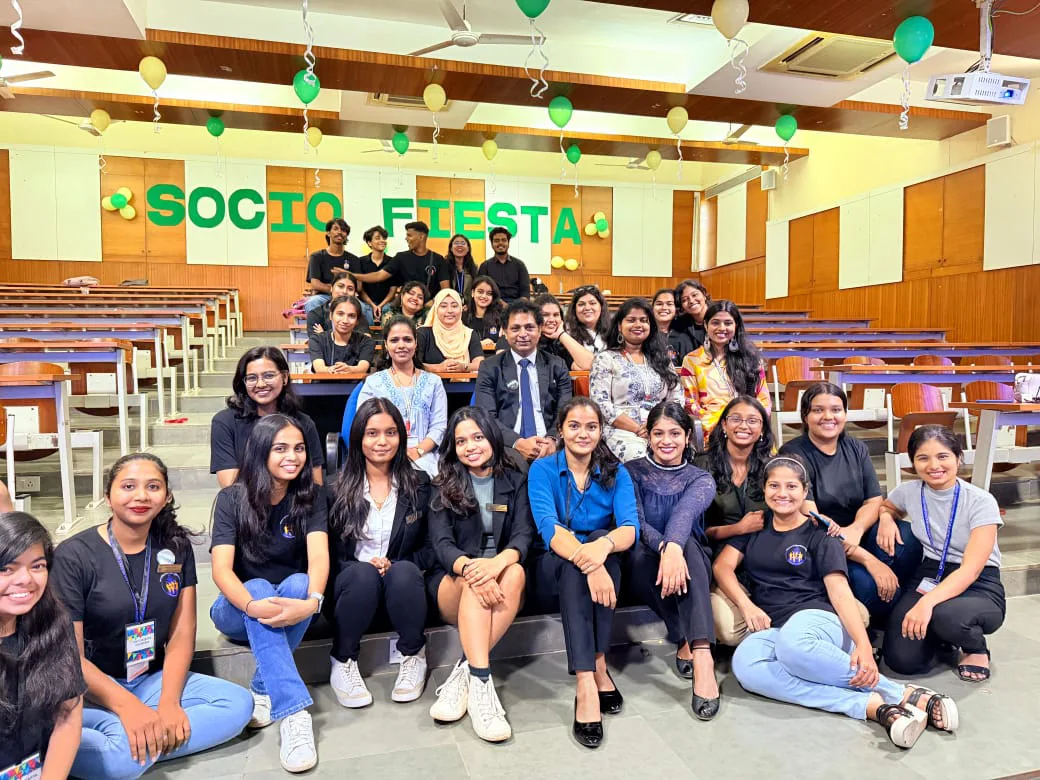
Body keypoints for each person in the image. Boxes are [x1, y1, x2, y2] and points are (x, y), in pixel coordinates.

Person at [715, 454, 959, 750]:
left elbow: (840, 592)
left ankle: (901, 693)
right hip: (774, 625)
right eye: (774, 486)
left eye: (791, 486)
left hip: (816, 618)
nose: (782, 494)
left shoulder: (821, 532)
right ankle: (871, 706)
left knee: (793, 645)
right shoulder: (756, 525)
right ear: (764, 489)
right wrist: (747, 606)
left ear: (805, 491)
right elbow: (722, 567)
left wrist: (864, 647)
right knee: (746, 665)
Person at [52, 454, 253, 778]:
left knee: (239, 705)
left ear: (167, 496)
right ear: (108, 496)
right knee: (121, 756)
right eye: (128, 486)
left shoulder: (175, 547)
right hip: (89, 689)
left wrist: (169, 704)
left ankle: (137, 743)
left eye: (153, 486)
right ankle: (120, 743)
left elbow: (182, 633)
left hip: (148, 680)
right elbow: (69, 658)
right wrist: (127, 707)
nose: (141, 496)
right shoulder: (74, 556)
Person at [209, 416, 329, 774]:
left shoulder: (312, 496)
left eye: (299, 448)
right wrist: (251, 604)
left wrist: (313, 603)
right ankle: (294, 712)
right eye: (281, 448)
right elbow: (221, 570)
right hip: (235, 608)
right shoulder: (232, 498)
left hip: (290, 604)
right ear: (261, 452)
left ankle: (263, 687)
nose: (293, 456)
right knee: (258, 587)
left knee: (301, 583)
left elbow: (319, 558)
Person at [527, 397, 638, 749]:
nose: (583, 434)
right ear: (561, 430)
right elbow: (549, 529)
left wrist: (600, 549)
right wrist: (590, 562)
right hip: (552, 562)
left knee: (603, 542)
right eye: (574, 426)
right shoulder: (542, 470)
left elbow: (629, 528)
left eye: (591, 427)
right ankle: (588, 680)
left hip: (601, 557)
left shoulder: (617, 472)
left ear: (601, 431)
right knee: (575, 568)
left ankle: (595, 666)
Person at [426, 407, 534, 742]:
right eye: (461, 441)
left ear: (492, 437)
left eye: (478, 437)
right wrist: (474, 568)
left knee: (516, 572)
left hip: (502, 578)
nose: (470, 446)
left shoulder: (515, 480)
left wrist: (496, 564)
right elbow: (442, 544)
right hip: (454, 581)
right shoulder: (442, 485)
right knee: (475, 582)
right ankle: (483, 680)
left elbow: (523, 535)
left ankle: (467, 675)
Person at [780, 382, 922, 619]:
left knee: (906, 539)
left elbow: (873, 500)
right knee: (872, 588)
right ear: (805, 416)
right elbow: (811, 517)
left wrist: (856, 530)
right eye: (818, 410)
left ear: (845, 414)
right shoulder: (793, 454)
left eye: (836, 410)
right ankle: (884, 614)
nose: (828, 417)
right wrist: (870, 560)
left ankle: (899, 606)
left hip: (857, 532)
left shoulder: (856, 447)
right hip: (822, 541)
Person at [326, 398, 433, 710]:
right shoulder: (334, 490)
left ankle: (413, 654)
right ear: (358, 437)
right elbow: (327, 554)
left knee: (404, 571)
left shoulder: (419, 484)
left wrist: (395, 564)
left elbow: (430, 547)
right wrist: (364, 566)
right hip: (354, 586)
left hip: (402, 586)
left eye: (391, 432)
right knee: (362, 574)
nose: (382, 441)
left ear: (401, 436)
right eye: (372, 433)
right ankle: (343, 659)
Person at [881, 425, 1005, 683]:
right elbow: (889, 506)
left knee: (946, 616)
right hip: (931, 572)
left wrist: (926, 603)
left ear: (958, 458)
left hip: (978, 581)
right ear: (913, 463)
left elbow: (970, 570)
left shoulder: (981, 501)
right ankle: (940, 640)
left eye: (942, 456)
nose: (933, 465)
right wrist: (886, 518)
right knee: (901, 661)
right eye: (923, 458)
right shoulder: (909, 492)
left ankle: (974, 648)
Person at [624, 402, 720, 720]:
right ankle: (682, 633)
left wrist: (675, 548)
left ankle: (702, 655)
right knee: (640, 556)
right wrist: (666, 548)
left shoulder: (701, 478)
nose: (667, 441)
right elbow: (636, 522)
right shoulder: (630, 472)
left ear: (688, 437)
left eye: (675, 433)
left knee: (688, 545)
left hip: (690, 559)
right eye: (659, 433)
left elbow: (684, 514)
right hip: (644, 557)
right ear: (648, 436)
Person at [0, 511, 85, 779]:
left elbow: (68, 716)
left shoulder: (54, 625)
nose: (26, 579)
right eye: (6, 568)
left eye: (37, 566)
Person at [695, 396, 772, 645]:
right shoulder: (701, 466)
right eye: (736, 419)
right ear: (724, 425)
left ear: (762, 429)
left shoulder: (770, 468)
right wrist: (737, 529)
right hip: (716, 559)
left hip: (761, 558)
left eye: (753, 420)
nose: (744, 426)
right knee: (731, 632)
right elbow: (696, 530)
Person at [210, 346, 324, 488]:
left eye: (269, 376)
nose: (261, 384)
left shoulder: (303, 422)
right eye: (252, 378)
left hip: (297, 499)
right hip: (246, 500)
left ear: (284, 377)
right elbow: (230, 486)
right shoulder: (225, 422)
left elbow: (315, 483)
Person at [475, 300, 573, 462]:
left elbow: (565, 412)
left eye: (529, 327)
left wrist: (552, 440)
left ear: (540, 330)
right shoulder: (490, 367)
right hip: (508, 446)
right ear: (504, 331)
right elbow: (486, 416)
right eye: (515, 328)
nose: (523, 334)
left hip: (550, 445)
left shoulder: (557, 365)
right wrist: (518, 443)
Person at [590, 297, 683, 462]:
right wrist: (639, 429)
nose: (638, 325)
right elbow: (601, 404)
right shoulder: (606, 358)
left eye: (643, 320)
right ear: (620, 326)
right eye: (631, 320)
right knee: (643, 460)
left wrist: (659, 426)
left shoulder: (661, 359)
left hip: (662, 427)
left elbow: (676, 397)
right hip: (621, 429)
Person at [357, 315, 448, 478]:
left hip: (424, 456)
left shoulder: (434, 382)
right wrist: (392, 453)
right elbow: (363, 427)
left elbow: (439, 426)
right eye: (394, 340)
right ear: (386, 345)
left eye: (407, 339)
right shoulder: (373, 383)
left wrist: (418, 451)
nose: (401, 345)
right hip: (383, 456)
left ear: (416, 343)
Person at [681, 300, 770, 441]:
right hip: (713, 430)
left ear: (736, 326)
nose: (721, 328)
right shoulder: (692, 360)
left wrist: (748, 423)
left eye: (728, 323)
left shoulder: (751, 358)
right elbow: (690, 403)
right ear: (706, 325)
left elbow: (763, 400)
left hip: (748, 428)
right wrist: (724, 426)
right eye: (715, 323)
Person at [354, 221, 445, 297]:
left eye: (409, 235)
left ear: (421, 237)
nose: (406, 238)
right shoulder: (401, 257)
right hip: (406, 306)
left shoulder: (438, 259)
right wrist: (352, 275)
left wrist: (433, 302)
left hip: (430, 308)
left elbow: (445, 289)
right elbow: (379, 276)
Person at [418, 289, 485, 373]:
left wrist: (464, 367)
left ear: (461, 309)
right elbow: (413, 364)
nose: (450, 311)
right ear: (436, 309)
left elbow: (480, 364)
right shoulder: (423, 333)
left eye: (454, 306)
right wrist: (437, 368)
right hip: (430, 381)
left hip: (463, 381)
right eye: (443, 306)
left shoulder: (469, 334)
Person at [307, 295, 375, 375]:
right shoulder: (317, 340)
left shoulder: (366, 341)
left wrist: (349, 369)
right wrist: (330, 370)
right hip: (324, 382)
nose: (345, 321)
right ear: (331, 316)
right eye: (340, 314)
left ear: (357, 320)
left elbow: (362, 368)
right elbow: (319, 368)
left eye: (351, 316)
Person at [304, 218, 359, 313]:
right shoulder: (317, 257)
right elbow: (315, 284)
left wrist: (344, 291)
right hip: (324, 296)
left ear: (346, 235)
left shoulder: (354, 259)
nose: (340, 232)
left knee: (365, 308)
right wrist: (336, 290)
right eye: (336, 229)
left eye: (343, 230)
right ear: (328, 233)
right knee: (312, 302)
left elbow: (359, 286)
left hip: (348, 297)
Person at [533, 293, 593, 370]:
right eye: (545, 315)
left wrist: (561, 334)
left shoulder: (561, 344)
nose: (552, 320)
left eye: (556, 315)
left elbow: (590, 366)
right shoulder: (528, 343)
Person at [307, 271, 371, 337]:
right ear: (331, 288)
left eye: (350, 289)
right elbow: (316, 341)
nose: (344, 291)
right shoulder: (316, 314)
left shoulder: (357, 315)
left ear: (354, 293)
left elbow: (366, 340)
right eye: (340, 286)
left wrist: (325, 336)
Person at [561, 286, 611, 371]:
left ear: (601, 307)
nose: (587, 308)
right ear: (574, 309)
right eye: (581, 304)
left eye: (592, 303)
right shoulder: (565, 333)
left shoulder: (612, 332)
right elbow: (574, 367)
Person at [475, 227, 531, 303]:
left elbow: (525, 292)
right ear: (492, 244)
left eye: (504, 240)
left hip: (517, 305)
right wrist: (499, 303)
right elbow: (481, 291)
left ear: (508, 243)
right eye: (496, 241)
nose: (500, 243)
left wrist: (516, 306)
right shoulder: (485, 266)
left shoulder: (519, 265)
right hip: (493, 304)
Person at [355, 225, 396, 323]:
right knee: (364, 309)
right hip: (366, 302)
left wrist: (380, 305)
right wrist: (372, 305)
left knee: (388, 310)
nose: (382, 240)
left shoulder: (393, 262)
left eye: (384, 238)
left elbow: (393, 290)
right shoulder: (360, 261)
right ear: (369, 243)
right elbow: (360, 289)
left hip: (387, 303)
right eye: (378, 238)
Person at [652, 288, 693, 367]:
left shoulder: (683, 338)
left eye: (669, 304)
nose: (664, 308)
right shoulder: (645, 334)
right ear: (652, 308)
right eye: (659, 304)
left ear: (676, 309)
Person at [463, 275, 506, 349]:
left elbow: (506, 343)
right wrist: (480, 344)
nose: (484, 296)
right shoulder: (463, 317)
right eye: (480, 292)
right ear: (473, 293)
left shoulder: (501, 317)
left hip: (495, 354)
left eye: (489, 293)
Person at [672, 280, 710, 349]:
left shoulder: (721, 314)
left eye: (694, 295)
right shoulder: (680, 324)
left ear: (704, 295)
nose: (691, 301)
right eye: (684, 300)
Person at [439, 234, 480, 298]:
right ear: (451, 248)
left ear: (468, 248)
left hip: (468, 303)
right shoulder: (444, 266)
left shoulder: (473, 268)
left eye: (463, 243)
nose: (460, 245)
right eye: (456, 243)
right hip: (450, 302)